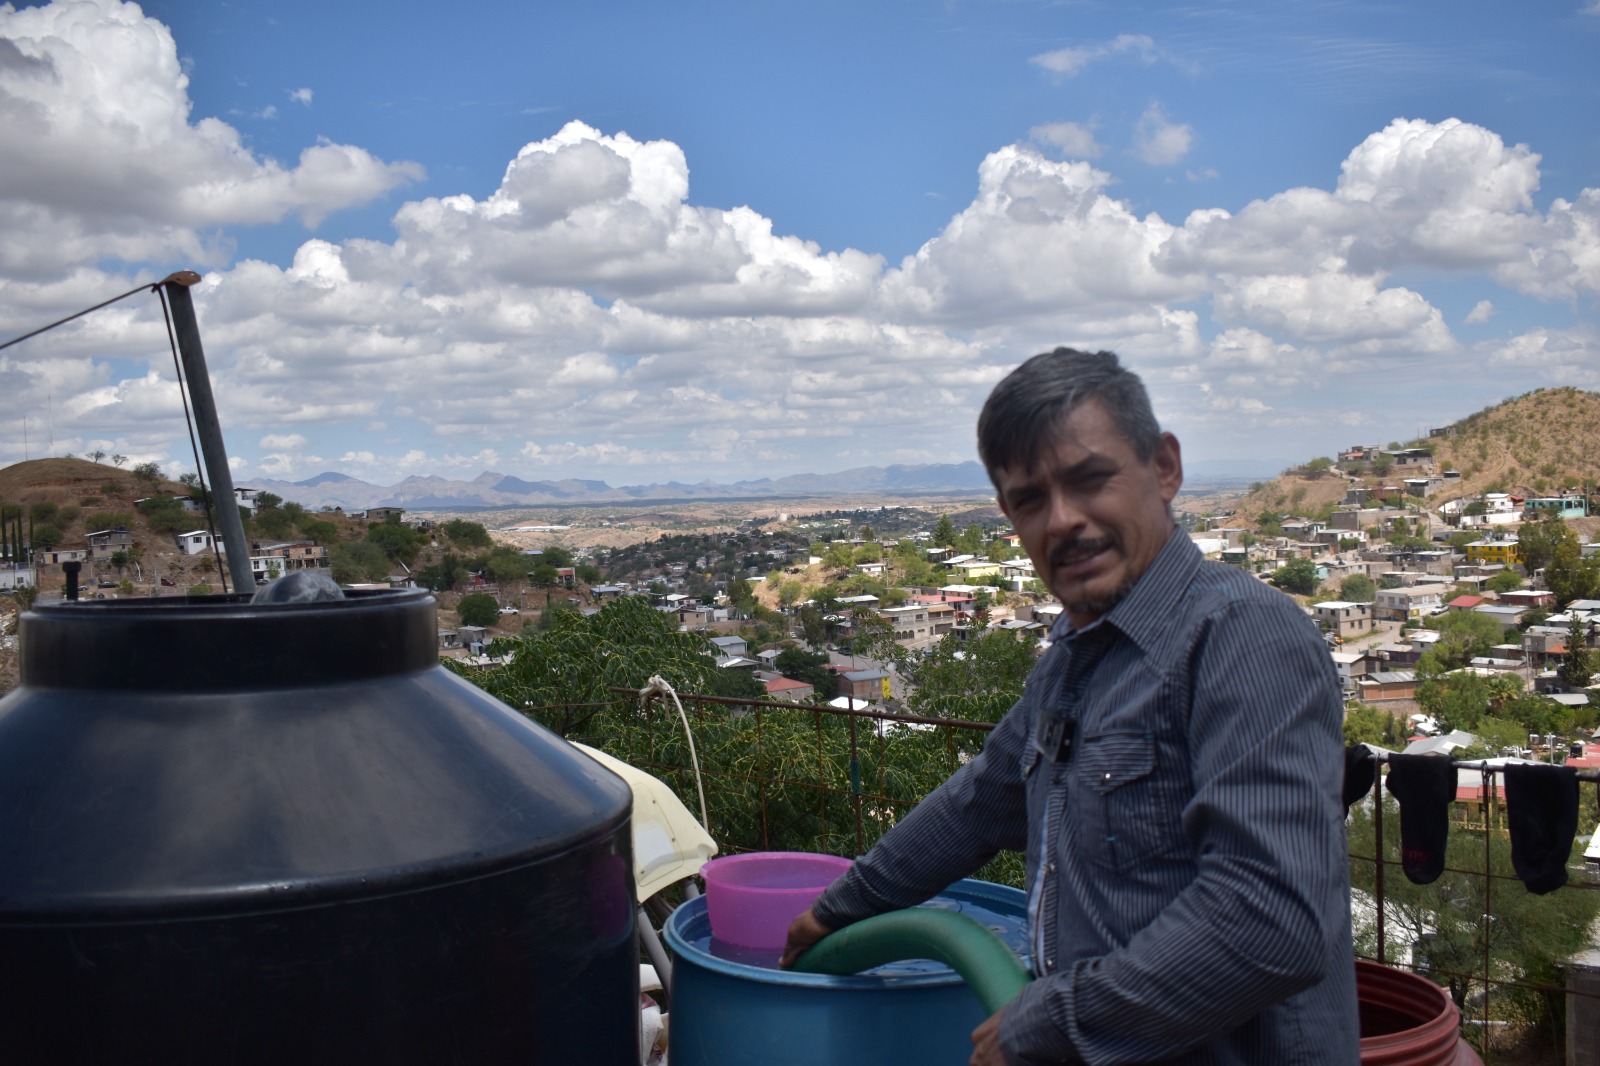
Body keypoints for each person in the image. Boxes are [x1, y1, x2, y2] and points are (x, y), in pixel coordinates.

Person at [780, 348, 1359, 1064]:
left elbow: (1270, 921)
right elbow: (975, 805)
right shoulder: (1073, 663)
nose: (1064, 521)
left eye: (1091, 481)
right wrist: (837, 911)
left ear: (1165, 468)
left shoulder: (1241, 637)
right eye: (1030, 500)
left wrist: (1045, 1021)